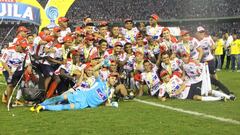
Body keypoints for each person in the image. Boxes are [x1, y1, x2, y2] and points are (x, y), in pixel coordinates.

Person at [30, 72, 119, 112]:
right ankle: (42, 103)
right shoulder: (100, 81)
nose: (114, 80)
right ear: (108, 78)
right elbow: (95, 70)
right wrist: (102, 62)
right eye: (112, 78)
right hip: (81, 95)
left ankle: (43, 108)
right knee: (60, 97)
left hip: (85, 105)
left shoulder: (110, 91)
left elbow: (106, 103)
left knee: (65, 107)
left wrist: (112, 104)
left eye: (115, 79)